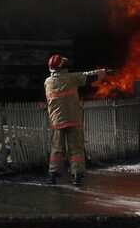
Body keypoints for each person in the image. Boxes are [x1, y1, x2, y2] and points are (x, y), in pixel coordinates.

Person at [45, 55, 109, 186]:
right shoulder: (72, 78)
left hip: (57, 121)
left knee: (56, 148)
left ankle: (53, 174)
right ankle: (77, 175)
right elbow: (88, 76)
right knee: (76, 149)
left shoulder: (47, 82)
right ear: (62, 66)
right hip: (73, 119)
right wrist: (102, 72)